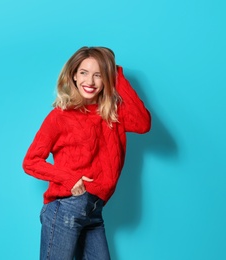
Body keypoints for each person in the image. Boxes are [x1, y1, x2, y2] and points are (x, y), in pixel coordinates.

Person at [22, 46, 151, 260]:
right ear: (73, 75)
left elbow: (143, 123)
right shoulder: (60, 116)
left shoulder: (112, 114)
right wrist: (70, 179)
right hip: (66, 209)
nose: (90, 82)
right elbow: (30, 162)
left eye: (98, 75)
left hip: (94, 211)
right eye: (83, 72)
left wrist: (116, 73)